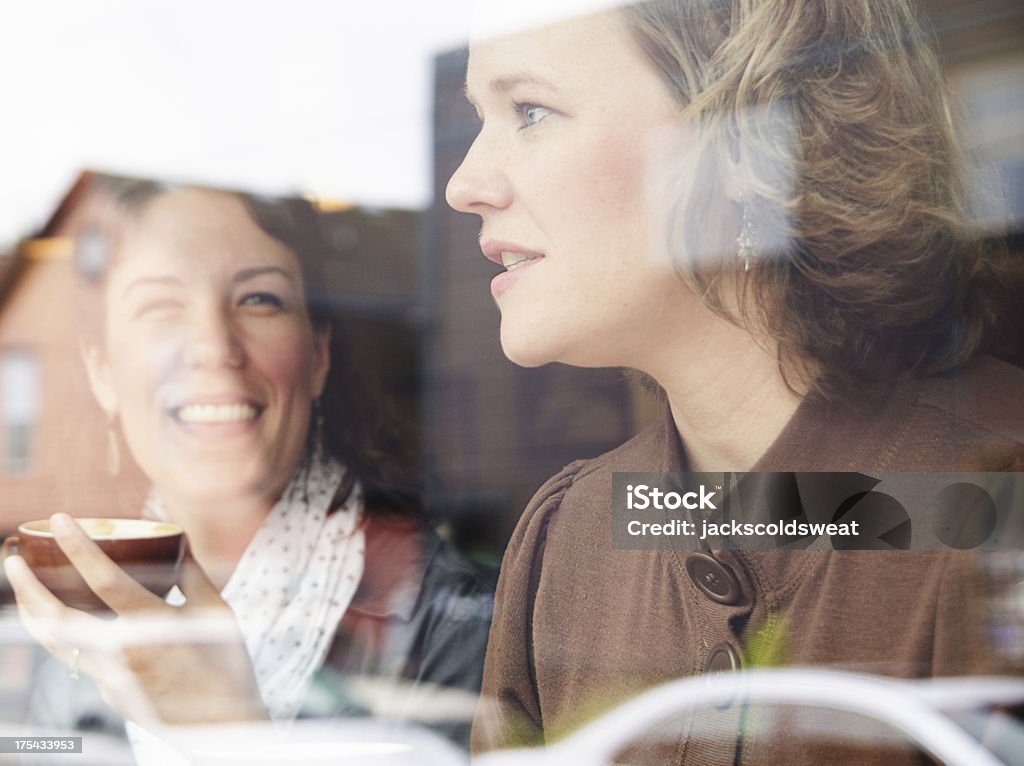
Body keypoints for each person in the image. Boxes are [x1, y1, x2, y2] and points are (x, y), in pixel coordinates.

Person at [445, 0, 1024, 763]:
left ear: (747, 142)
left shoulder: (999, 494)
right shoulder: (572, 534)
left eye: (530, 110)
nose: (464, 184)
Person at [3, 180, 494, 757]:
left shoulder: (460, 621)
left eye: (259, 298)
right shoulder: (79, 631)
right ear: (102, 371)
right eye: (161, 304)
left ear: (318, 356)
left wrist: (228, 731)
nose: (214, 345)